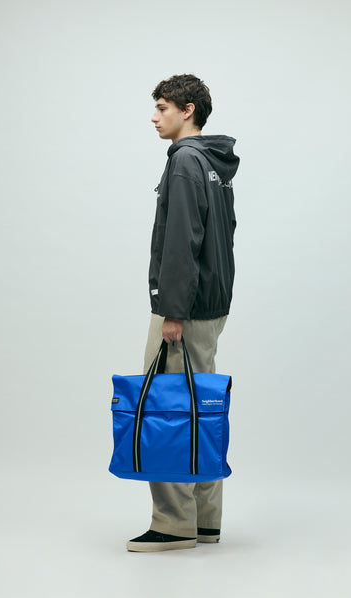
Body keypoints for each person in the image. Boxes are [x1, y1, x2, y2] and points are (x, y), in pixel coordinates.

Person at [126, 74, 239, 552]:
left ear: (187, 110)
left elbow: (181, 242)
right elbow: (224, 234)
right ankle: (205, 519)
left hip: (185, 308)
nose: (154, 117)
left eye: (162, 107)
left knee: (167, 409)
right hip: (210, 305)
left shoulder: (185, 161)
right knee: (199, 405)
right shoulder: (213, 162)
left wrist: (172, 311)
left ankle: (174, 523)